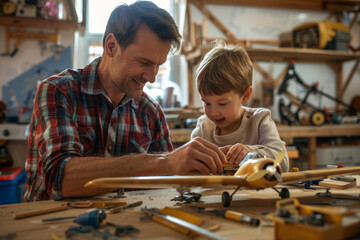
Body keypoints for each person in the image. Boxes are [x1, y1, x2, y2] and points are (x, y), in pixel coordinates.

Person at [24, 1, 227, 202]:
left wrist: (204, 166)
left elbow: (169, 184)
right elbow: (60, 181)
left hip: (123, 225)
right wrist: (164, 162)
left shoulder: (151, 111)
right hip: (46, 225)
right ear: (111, 46)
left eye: (159, 65)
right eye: (144, 62)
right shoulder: (59, 92)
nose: (152, 77)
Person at [191, 40, 289, 172]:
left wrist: (252, 153)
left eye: (222, 103)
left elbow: (283, 162)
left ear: (245, 96)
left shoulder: (259, 120)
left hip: (256, 192)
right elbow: (190, 171)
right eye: (207, 103)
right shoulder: (203, 128)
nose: (214, 112)